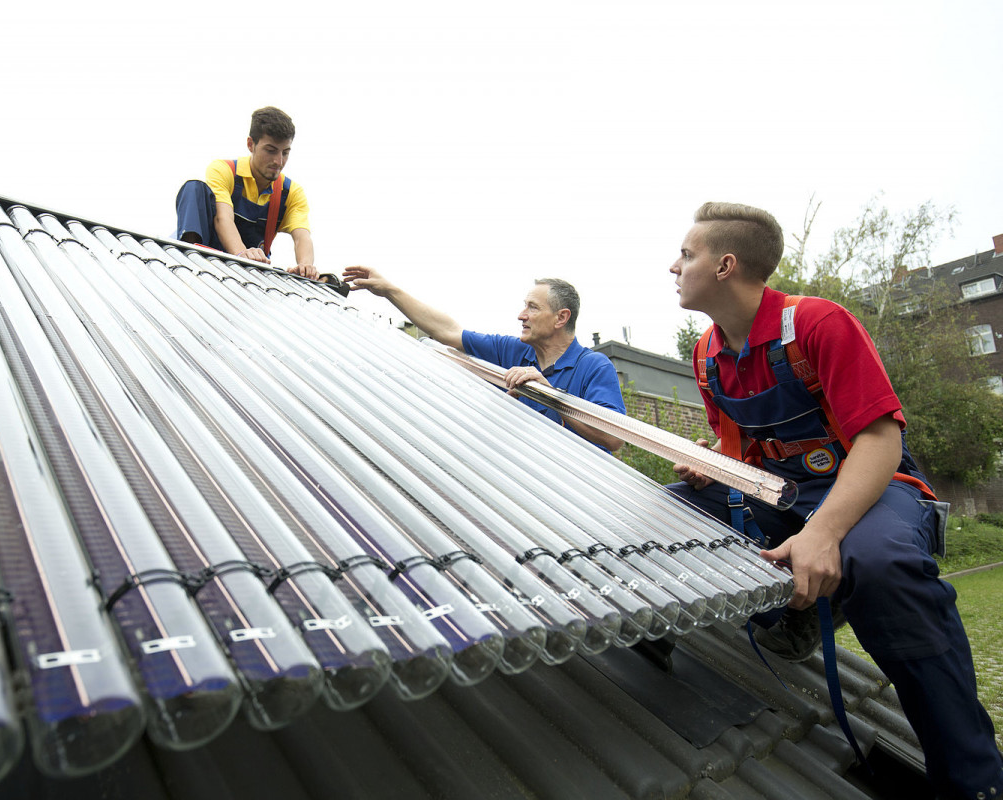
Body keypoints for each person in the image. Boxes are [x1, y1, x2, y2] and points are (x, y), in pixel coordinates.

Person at [667, 201, 1002, 800]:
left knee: (880, 567)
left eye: (686, 255)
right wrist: (711, 466)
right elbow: (740, 452)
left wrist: (823, 531)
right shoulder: (705, 356)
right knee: (667, 509)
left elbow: (880, 439)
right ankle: (784, 620)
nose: (674, 266)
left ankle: (975, 780)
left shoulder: (818, 323)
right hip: (781, 492)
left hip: (873, 487)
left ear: (724, 265)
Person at [342, 266, 625, 453]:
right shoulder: (511, 351)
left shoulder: (594, 367)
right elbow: (447, 331)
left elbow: (613, 439)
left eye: (532, 308)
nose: (521, 315)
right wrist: (390, 290)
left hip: (578, 496)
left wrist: (549, 395)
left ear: (561, 318)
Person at [176, 107, 317, 279]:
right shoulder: (224, 170)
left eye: (285, 153)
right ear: (251, 144)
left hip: (249, 275)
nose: (278, 161)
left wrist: (306, 266)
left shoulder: (291, 192)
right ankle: (189, 258)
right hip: (211, 255)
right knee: (194, 188)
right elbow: (223, 218)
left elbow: (302, 237)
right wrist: (242, 254)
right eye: (271, 150)